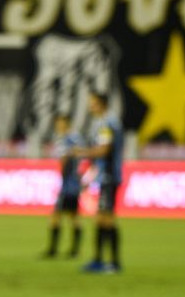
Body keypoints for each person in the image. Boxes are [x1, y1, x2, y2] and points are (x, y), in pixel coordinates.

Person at [76, 91, 124, 274]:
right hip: (104, 177)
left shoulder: (108, 124)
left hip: (109, 177)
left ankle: (113, 262)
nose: (90, 107)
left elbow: (104, 150)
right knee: (101, 218)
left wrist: (81, 153)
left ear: (102, 104)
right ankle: (99, 260)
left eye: (93, 103)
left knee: (107, 219)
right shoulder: (105, 123)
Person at [42, 114, 84, 259]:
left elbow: (64, 160)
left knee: (57, 215)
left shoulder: (66, 139)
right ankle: (74, 250)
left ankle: (54, 250)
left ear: (66, 123)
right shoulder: (76, 138)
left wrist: (63, 172)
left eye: (59, 123)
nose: (58, 126)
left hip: (68, 184)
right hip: (74, 183)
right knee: (73, 216)